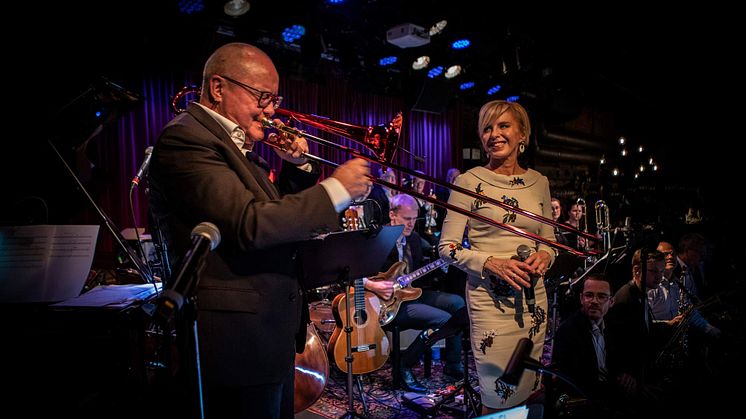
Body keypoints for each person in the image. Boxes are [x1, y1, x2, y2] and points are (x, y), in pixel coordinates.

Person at [148, 42, 371, 419]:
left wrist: (297, 169)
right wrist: (335, 190)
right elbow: (249, 224)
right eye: (262, 97)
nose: (271, 110)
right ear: (218, 88)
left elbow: (275, 216)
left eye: (274, 98)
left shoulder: (233, 146)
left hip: (266, 336)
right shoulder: (186, 139)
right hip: (236, 343)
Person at [437, 100, 555, 414]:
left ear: (522, 134)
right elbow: (447, 248)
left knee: (529, 386)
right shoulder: (467, 182)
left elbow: (550, 242)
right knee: (498, 393)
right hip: (490, 304)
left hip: (533, 304)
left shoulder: (540, 183)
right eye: (487, 128)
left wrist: (545, 257)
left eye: (503, 126)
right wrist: (491, 263)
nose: (494, 134)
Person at [364, 194, 465, 392]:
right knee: (444, 319)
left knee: (458, 303)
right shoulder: (378, 238)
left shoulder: (415, 239)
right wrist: (374, 286)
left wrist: (441, 267)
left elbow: (420, 277)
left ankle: (453, 365)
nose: (411, 224)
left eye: (414, 219)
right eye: (407, 219)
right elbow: (354, 272)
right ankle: (404, 365)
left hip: (409, 294)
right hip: (386, 303)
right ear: (392, 215)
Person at [550, 274, 617, 416]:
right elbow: (572, 380)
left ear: (611, 302)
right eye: (589, 295)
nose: (594, 301)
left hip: (608, 395)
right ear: (581, 299)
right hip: (584, 402)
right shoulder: (568, 330)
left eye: (601, 296)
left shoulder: (614, 326)